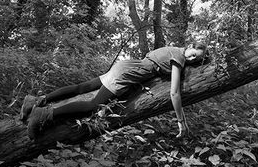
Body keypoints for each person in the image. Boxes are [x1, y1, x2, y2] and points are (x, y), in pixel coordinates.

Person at [22, 44, 209, 140]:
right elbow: (174, 93)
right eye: (193, 53)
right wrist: (181, 121)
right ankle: (43, 113)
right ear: (190, 45)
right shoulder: (178, 57)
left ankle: (37, 100)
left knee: (82, 88)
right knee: (92, 105)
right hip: (129, 72)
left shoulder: (172, 49)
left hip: (128, 65)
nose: (192, 58)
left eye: (196, 59)